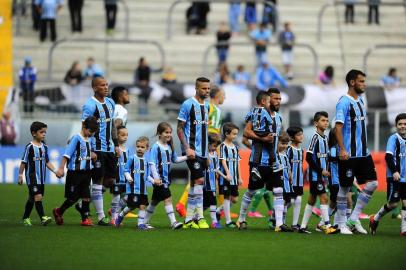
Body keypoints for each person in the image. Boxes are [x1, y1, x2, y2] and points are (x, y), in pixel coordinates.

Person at [334, 69, 378, 235]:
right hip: (349, 154)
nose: (364, 84)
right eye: (361, 81)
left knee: (373, 183)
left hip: (364, 153)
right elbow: (337, 128)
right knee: (345, 189)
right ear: (352, 82)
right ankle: (342, 224)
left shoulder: (359, 101)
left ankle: (353, 218)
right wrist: (343, 149)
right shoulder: (343, 102)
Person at [237, 89, 288, 232]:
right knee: (252, 191)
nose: (278, 101)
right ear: (267, 100)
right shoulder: (257, 115)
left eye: (280, 99)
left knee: (278, 190)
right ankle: (241, 219)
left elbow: (275, 138)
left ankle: (279, 224)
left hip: (274, 161)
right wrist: (262, 139)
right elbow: (246, 133)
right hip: (259, 161)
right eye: (275, 99)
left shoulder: (279, 117)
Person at [175, 84, 225, 218]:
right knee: (202, 178)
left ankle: (216, 208)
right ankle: (199, 211)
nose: (224, 97)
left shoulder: (214, 108)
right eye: (223, 94)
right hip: (205, 147)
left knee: (202, 178)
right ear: (217, 95)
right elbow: (205, 128)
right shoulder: (209, 108)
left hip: (209, 146)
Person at [81, 77, 119, 226]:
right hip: (96, 148)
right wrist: (89, 149)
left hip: (109, 148)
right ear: (95, 88)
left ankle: (83, 203)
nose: (106, 87)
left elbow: (113, 126)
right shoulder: (90, 105)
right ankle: (101, 216)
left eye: (107, 85)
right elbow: (84, 128)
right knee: (97, 180)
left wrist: (116, 144)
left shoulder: (110, 102)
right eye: (102, 85)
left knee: (110, 181)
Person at [177, 77, 211, 229]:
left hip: (203, 152)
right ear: (196, 88)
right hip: (191, 151)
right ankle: (200, 218)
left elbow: (205, 131)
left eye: (208, 88)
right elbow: (179, 128)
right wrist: (187, 148)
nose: (207, 91)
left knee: (193, 184)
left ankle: (188, 220)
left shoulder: (207, 106)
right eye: (204, 88)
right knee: (200, 181)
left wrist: (208, 153)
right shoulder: (188, 104)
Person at [53, 117, 98, 226]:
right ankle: (59, 211)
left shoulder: (91, 139)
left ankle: (85, 219)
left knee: (86, 196)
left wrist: (94, 156)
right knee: (73, 198)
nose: (91, 134)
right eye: (90, 131)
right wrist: (60, 168)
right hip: (75, 173)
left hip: (87, 172)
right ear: (84, 127)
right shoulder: (76, 139)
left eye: (93, 132)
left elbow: (92, 153)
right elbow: (66, 155)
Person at [298, 111, 338, 234]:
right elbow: (308, 157)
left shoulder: (325, 138)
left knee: (312, 199)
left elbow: (325, 157)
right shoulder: (315, 138)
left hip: (321, 175)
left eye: (327, 120)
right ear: (316, 123)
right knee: (324, 198)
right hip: (315, 175)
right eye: (323, 120)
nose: (326, 123)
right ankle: (326, 225)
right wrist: (321, 171)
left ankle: (303, 227)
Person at [143, 122, 185, 230]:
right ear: (159, 133)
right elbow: (152, 163)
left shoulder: (169, 147)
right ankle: (173, 222)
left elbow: (175, 159)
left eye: (170, 132)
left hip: (166, 179)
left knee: (154, 201)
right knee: (168, 198)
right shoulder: (156, 147)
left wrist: (187, 157)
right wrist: (156, 178)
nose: (169, 134)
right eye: (166, 132)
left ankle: (143, 222)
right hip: (160, 180)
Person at [369, 113, 406, 236]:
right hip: (394, 177)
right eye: (400, 124)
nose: (402, 126)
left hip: (405, 178)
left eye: (405, 124)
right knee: (393, 204)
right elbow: (388, 156)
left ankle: (404, 229)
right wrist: (395, 171)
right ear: (396, 125)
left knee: (405, 202)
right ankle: (375, 218)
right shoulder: (393, 138)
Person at [115, 136, 160, 230]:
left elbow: (147, 175)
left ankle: (140, 224)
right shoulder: (132, 158)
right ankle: (120, 215)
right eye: (138, 146)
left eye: (142, 147)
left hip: (143, 190)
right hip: (133, 188)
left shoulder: (146, 161)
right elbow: (126, 170)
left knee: (142, 206)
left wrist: (153, 181)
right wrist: (129, 177)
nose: (140, 149)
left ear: (147, 149)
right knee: (132, 206)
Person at [18, 121, 57, 226]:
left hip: (42, 178)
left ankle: (25, 218)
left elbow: (47, 162)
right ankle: (43, 218)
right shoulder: (29, 147)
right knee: (38, 196)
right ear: (34, 133)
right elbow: (23, 162)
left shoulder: (45, 147)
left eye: (45, 132)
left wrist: (55, 171)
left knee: (32, 198)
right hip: (32, 177)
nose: (44, 134)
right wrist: (20, 175)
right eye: (41, 132)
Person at [219, 122, 243, 228]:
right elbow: (223, 161)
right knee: (227, 197)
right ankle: (228, 221)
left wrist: (240, 177)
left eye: (236, 134)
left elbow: (237, 162)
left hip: (234, 178)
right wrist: (228, 173)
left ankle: (218, 211)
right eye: (234, 134)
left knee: (235, 199)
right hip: (226, 177)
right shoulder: (222, 146)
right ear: (226, 134)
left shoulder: (236, 147)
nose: (235, 136)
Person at [109, 126, 129, 225]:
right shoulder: (113, 148)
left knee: (127, 197)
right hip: (116, 178)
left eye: (127, 135)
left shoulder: (127, 150)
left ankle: (116, 212)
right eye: (123, 135)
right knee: (116, 197)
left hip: (125, 179)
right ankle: (113, 218)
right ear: (117, 136)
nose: (125, 137)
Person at [286, 126, 304, 231]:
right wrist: (288, 176)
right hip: (290, 180)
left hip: (299, 181)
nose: (301, 136)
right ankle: (277, 219)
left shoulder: (301, 150)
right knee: (289, 201)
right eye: (298, 135)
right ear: (292, 137)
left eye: (301, 134)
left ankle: (295, 224)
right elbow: (285, 163)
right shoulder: (289, 149)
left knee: (298, 200)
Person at [203, 133, 223, 228]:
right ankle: (214, 222)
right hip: (205, 184)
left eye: (217, 146)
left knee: (206, 204)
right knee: (212, 202)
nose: (215, 148)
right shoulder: (204, 155)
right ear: (208, 144)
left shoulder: (215, 155)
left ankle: (195, 217)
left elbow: (216, 169)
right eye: (214, 146)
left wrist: (224, 176)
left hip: (212, 184)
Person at [276, 132, 294, 230]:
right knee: (281, 202)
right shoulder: (274, 155)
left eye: (286, 144)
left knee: (288, 202)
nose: (285, 146)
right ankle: (279, 222)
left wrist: (291, 177)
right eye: (282, 143)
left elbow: (288, 168)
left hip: (287, 183)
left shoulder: (285, 155)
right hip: (279, 183)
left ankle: (282, 221)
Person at [327, 128, 340, 227]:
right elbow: (333, 158)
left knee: (338, 202)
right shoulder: (333, 148)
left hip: (339, 179)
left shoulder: (339, 147)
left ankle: (336, 224)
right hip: (334, 179)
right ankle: (324, 222)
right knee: (336, 202)